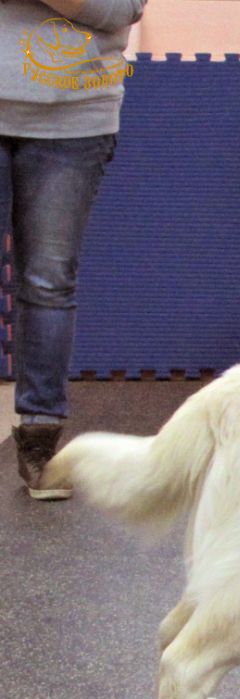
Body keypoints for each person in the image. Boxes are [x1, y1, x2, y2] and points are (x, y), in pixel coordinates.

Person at [3, 0, 146, 499]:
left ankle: (40, 441)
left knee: (48, 279)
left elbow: (122, 10)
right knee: (48, 280)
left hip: (75, 117)